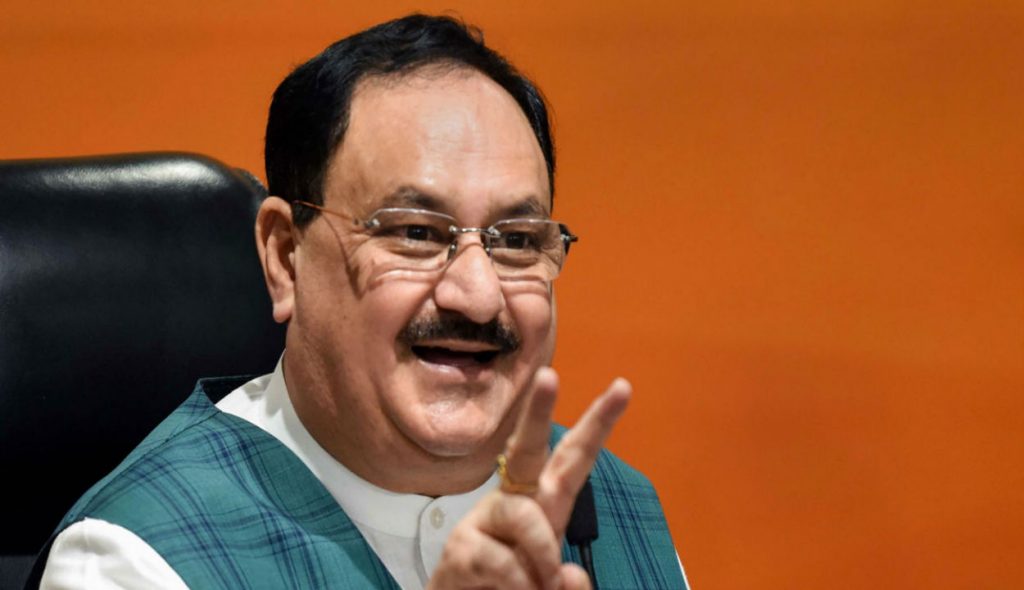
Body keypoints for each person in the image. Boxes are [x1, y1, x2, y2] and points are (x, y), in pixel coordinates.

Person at [34, 14, 687, 589]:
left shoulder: (615, 510)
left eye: (515, 240)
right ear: (285, 256)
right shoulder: (131, 561)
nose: (479, 296)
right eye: (415, 233)